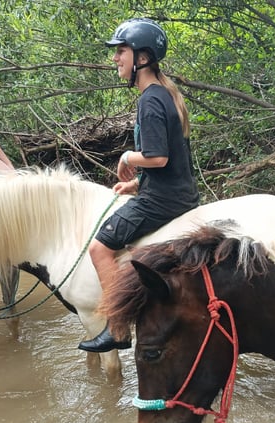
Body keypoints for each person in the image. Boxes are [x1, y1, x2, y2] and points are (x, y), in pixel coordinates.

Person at [78, 18, 199, 353]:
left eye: (121, 51)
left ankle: (117, 328)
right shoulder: (164, 95)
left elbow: (158, 157)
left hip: (163, 202)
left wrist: (129, 158)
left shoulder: (150, 100)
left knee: (99, 248)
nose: (115, 58)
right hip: (176, 193)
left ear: (142, 58)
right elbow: (173, 162)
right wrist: (136, 186)